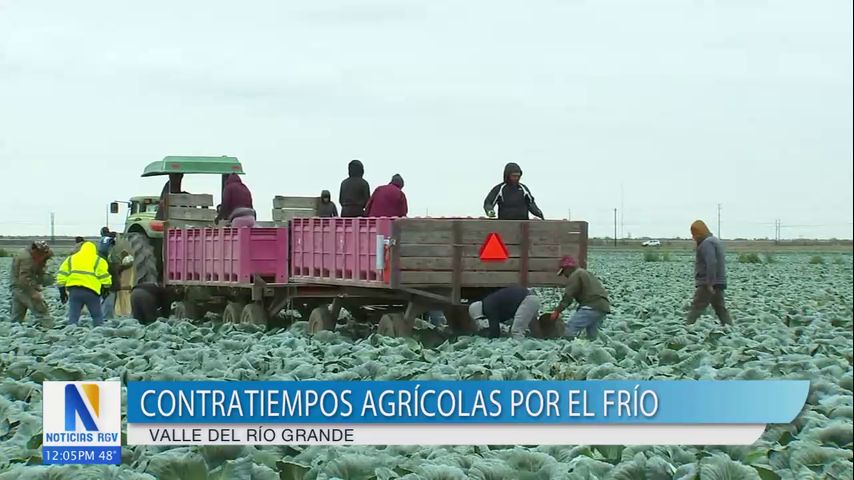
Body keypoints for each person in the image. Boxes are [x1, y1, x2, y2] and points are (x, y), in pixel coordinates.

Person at [549, 255, 611, 340]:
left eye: (564, 272)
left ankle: (566, 351)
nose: (564, 275)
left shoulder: (575, 275)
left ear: (568, 268)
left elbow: (568, 297)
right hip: (603, 307)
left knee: (569, 330)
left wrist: (557, 311)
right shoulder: (584, 272)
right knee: (592, 337)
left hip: (591, 306)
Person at [56, 241, 112, 326]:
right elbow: (104, 276)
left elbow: (61, 274)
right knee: (96, 315)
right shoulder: (98, 261)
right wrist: (106, 289)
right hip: (92, 292)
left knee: (73, 316)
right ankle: (98, 331)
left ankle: (71, 333)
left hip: (74, 291)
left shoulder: (71, 259)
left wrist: (62, 291)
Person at [686, 220, 731, 326]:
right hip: (718, 281)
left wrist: (710, 283)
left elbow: (711, 262)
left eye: (694, 234)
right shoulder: (714, 240)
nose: (693, 237)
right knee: (720, 308)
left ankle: (686, 329)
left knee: (697, 307)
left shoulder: (707, 243)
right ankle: (730, 328)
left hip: (708, 282)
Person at [468, 286, 541, 339]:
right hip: (531, 298)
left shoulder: (488, 306)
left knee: (516, 331)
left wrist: (490, 340)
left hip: (527, 300)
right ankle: (539, 341)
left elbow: (495, 330)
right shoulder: (490, 301)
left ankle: (521, 351)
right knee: (532, 329)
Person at [9, 241, 54, 325]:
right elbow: (24, 278)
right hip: (23, 287)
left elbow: (47, 256)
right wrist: (33, 293)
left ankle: (14, 330)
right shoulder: (27, 259)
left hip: (16, 287)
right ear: (36, 251)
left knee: (17, 315)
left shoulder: (30, 253)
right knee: (41, 310)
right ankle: (48, 330)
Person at [102, 252, 134, 320]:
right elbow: (122, 267)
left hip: (112, 289)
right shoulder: (111, 267)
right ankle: (106, 319)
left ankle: (107, 319)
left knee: (109, 305)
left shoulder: (114, 266)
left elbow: (124, 266)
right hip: (109, 289)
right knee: (108, 305)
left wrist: (129, 261)